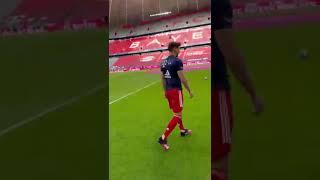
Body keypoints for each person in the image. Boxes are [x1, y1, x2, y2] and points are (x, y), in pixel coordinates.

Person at [212, 0, 265, 179]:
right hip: (215, 92)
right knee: (218, 168)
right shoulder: (218, 4)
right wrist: (254, 93)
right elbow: (232, 55)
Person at [158, 41, 193, 150]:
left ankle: (182, 131)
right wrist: (189, 90)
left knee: (177, 112)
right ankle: (163, 138)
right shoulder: (177, 61)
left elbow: (163, 78)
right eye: (178, 48)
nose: (179, 50)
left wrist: (165, 91)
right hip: (176, 90)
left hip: (168, 91)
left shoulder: (163, 62)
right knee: (177, 115)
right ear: (174, 49)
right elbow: (182, 78)